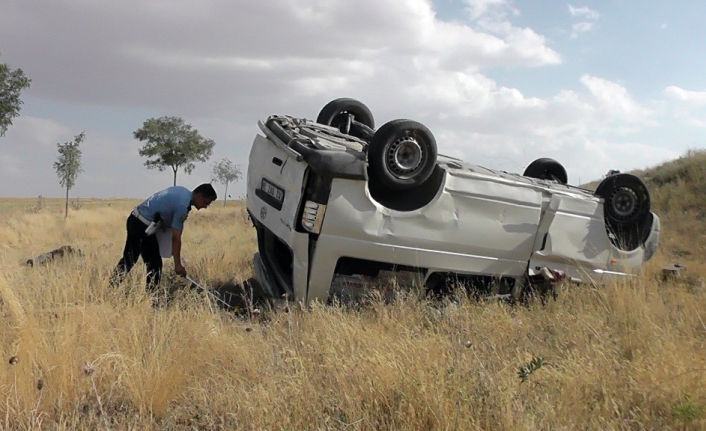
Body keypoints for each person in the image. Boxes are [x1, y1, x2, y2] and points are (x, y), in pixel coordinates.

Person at [110, 183, 217, 292]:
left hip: (134, 219)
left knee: (129, 259)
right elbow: (176, 238)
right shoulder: (182, 205)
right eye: (206, 203)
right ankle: (152, 300)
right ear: (199, 196)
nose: (205, 207)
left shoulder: (183, 191)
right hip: (143, 226)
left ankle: (110, 287)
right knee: (154, 265)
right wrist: (178, 265)